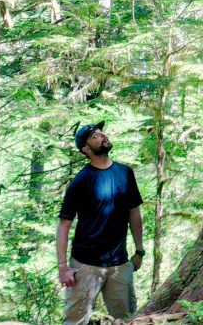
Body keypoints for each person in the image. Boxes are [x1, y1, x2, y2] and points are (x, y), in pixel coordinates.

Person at [57, 121, 145, 325]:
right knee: (75, 322)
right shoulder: (80, 181)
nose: (102, 136)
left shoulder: (125, 173)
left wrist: (139, 250)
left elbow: (134, 213)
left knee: (127, 320)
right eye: (95, 136)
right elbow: (64, 225)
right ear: (86, 149)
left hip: (120, 265)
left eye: (101, 133)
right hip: (85, 266)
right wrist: (63, 267)